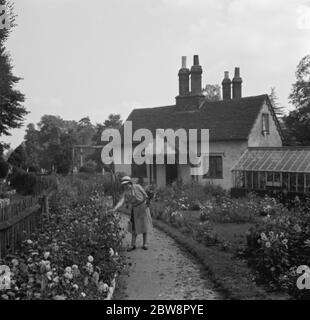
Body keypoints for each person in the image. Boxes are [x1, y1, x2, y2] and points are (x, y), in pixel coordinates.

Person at [111, 176, 152, 251]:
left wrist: (147, 202)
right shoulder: (126, 192)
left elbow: (145, 195)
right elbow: (121, 201)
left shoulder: (138, 187)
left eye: (127, 184)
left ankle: (145, 244)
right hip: (135, 209)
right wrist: (115, 209)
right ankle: (132, 245)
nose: (126, 186)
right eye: (124, 184)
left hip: (143, 207)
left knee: (144, 225)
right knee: (134, 227)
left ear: (130, 182)